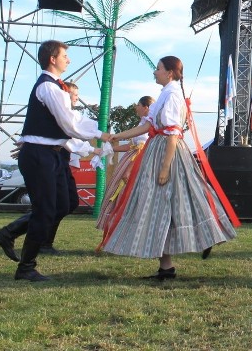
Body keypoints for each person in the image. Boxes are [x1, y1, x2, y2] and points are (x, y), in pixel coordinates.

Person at [100, 56, 237, 280]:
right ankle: (166, 267)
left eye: (158, 69)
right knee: (161, 207)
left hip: (167, 153)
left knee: (177, 201)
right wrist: (117, 135)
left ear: (170, 73)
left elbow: (173, 134)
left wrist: (165, 168)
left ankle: (210, 235)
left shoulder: (172, 95)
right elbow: (146, 126)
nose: (155, 72)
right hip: (157, 151)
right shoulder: (166, 94)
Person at [0, 41, 110, 281]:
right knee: (45, 209)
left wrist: (99, 133)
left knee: (63, 205)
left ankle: (8, 233)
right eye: (65, 55)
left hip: (52, 153)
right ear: (52, 59)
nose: (69, 59)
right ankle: (26, 267)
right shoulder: (48, 88)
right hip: (39, 155)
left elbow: (71, 119)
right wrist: (99, 135)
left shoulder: (57, 88)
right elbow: (68, 123)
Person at [96, 96, 155, 233]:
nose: (136, 107)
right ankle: (115, 230)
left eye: (139, 105)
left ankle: (126, 230)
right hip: (130, 158)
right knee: (117, 191)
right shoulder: (142, 123)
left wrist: (129, 169)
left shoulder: (147, 125)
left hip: (136, 161)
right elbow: (131, 145)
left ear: (146, 107)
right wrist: (109, 149)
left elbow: (140, 148)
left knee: (125, 194)